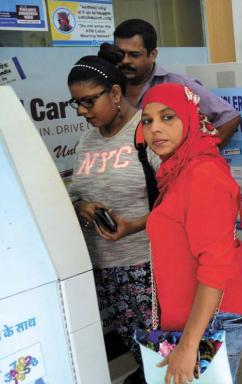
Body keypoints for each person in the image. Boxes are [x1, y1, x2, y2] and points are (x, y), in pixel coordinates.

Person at [139, 83, 242, 383]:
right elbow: (178, 222)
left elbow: (215, 267)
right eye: (148, 120)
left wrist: (189, 345)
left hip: (217, 317)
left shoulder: (201, 174)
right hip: (199, 313)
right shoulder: (179, 168)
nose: (155, 129)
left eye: (168, 118)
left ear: (189, 118)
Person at [67, 45, 158, 384]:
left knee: (166, 353)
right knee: (144, 351)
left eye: (89, 100)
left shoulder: (148, 132)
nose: (81, 110)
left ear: (116, 92)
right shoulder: (86, 142)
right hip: (106, 270)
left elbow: (179, 203)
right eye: (76, 102)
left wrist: (133, 226)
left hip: (149, 267)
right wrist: (82, 207)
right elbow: (76, 193)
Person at [113, 19, 241, 146]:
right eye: (120, 54)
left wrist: (205, 155)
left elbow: (229, 117)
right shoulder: (108, 88)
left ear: (152, 54)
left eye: (134, 55)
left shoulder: (178, 84)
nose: (125, 61)